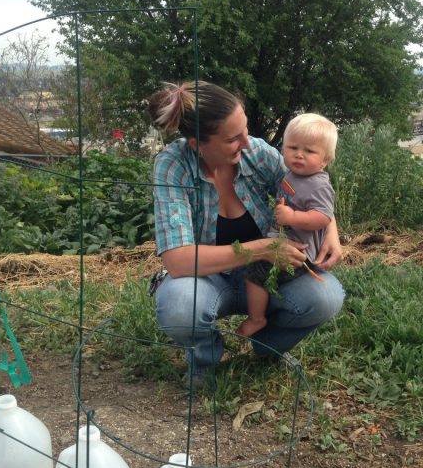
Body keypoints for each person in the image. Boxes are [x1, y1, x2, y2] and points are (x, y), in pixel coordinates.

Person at [147, 81, 345, 386]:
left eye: (245, 129)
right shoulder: (172, 166)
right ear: (198, 144)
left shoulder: (257, 153)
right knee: (179, 306)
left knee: (326, 297)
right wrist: (264, 248)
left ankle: (267, 347)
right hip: (208, 278)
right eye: (232, 139)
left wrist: (331, 228)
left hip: (268, 273)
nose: (247, 143)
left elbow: (309, 188)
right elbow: (178, 261)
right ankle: (204, 360)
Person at [237, 113, 337, 338]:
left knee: (256, 273)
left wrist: (292, 217)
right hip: (284, 241)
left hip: (299, 251)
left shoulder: (318, 185)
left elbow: (323, 217)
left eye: (309, 151)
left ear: (325, 160)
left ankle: (257, 319)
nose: (299, 154)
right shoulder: (292, 174)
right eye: (293, 147)